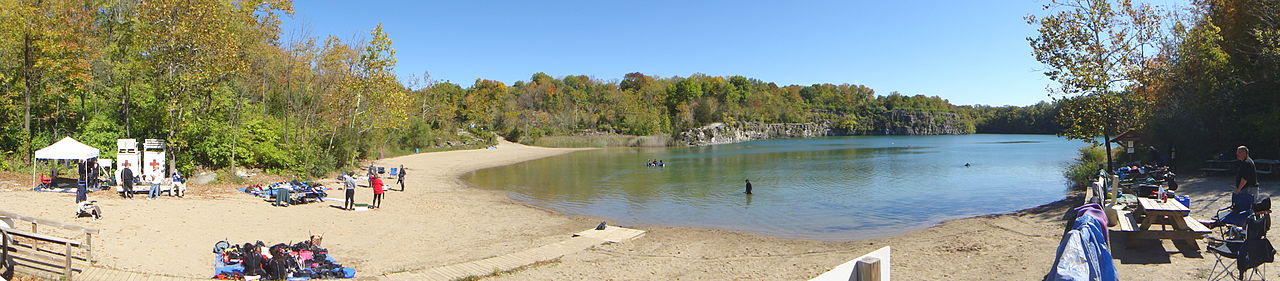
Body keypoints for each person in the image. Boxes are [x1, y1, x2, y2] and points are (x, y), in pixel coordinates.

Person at [1216, 146, 1261, 227]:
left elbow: (1245, 178)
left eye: (1239, 152)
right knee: (1247, 208)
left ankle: (1250, 227)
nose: (1237, 154)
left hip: (1249, 189)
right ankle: (1246, 226)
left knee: (1249, 209)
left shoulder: (1247, 163)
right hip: (1248, 188)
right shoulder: (1244, 162)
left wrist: (1239, 189)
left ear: (1244, 153)